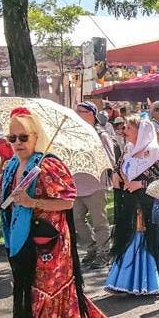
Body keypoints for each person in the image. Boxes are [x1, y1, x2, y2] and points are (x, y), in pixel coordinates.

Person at [0, 107, 124, 318]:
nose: (18, 142)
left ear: (36, 137)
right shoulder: (11, 166)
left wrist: (33, 202)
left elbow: (67, 202)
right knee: (31, 293)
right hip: (20, 240)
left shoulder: (49, 164)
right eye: (12, 138)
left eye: (23, 136)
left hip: (51, 244)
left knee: (43, 297)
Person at [105, 116, 159, 295]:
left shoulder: (155, 153)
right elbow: (119, 170)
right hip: (131, 206)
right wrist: (116, 176)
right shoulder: (128, 150)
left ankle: (152, 280)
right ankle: (126, 280)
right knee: (129, 238)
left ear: (141, 132)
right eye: (125, 128)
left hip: (148, 206)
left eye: (129, 128)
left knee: (150, 239)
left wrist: (141, 184)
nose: (125, 131)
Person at [72, 102, 117, 269]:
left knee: (99, 221)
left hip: (96, 185)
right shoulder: (73, 135)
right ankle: (92, 248)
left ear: (91, 114)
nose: (76, 114)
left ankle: (104, 252)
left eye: (80, 111)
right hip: (76, 184)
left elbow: (110, 160)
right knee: (77, 221)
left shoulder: (101, 135)